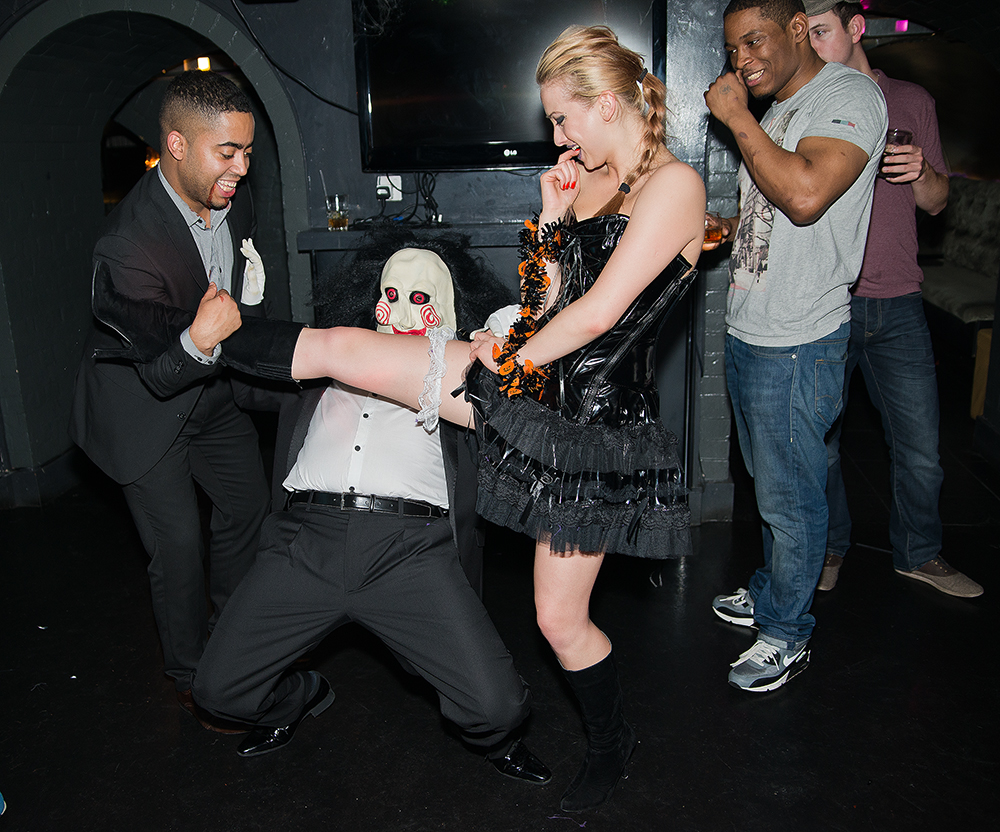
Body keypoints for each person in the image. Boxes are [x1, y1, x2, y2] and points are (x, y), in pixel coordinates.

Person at [92, 25, 705, 813]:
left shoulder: (674, 187)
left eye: (563, 118)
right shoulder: (583, 182)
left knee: (559, 620)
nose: (557, 137)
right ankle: (191, 334)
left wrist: (503, 363)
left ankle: (612, 744)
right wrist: (552, 219)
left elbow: (597, 317)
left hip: (591, 424)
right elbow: (551, 300)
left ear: (608, 104)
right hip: (532, 385)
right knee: (344, 349)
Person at [190, 231, 550, 783]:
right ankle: (297, 699)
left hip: (410, 552)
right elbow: (248, 385)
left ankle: (496, 741)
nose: (401, 309)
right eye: (391, 293)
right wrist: (252, 307)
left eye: (420, 297)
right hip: (305, 541)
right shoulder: (332, 361)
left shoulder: (461, 381)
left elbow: (528, 406)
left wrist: (501, 340)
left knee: (498, 707)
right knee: (216, 691)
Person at [69, 70, 271, 733]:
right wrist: (201, 336)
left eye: (247, 151)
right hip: (145, 405)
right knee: (179, 544)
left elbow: (235, 280)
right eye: (228, 152)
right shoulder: (126, 244)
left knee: (247, 504)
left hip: (212, 394)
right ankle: (193, 676)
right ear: (176, 146)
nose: (242, 168)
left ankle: (233, 638)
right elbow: (159, 374)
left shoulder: (233, 196)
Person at [703, 0, 887, 691]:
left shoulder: (848, 97)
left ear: (797, 29)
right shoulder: (780, 109)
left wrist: (737, 118)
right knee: (769, 485)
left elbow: (806, 196)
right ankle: (773, 589)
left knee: (793, 498)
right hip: (754, 328)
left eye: (754, 42)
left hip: (800, 339)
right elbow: (776, 205)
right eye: (732, 49)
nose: (742, 61)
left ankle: (786, 632)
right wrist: (729, 225)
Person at [804, 0, 983, 598]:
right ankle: (830, 547)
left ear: (856, 28)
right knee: (823, 446)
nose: (811, 46)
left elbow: (937, 201)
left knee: (922, 450)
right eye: (804, 35)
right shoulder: (807, 102)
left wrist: (922, 172)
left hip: (900, 300)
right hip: (828, 301)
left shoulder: (911, 101)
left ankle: (920, 553)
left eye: (821, 32)